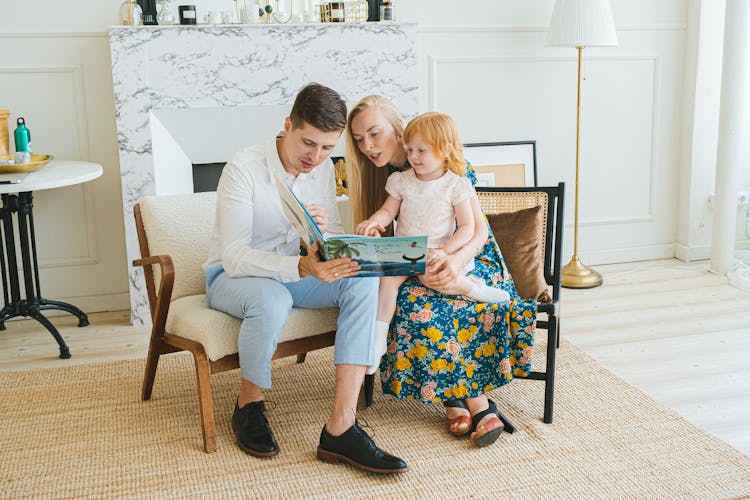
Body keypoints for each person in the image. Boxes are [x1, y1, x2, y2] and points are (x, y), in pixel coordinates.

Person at [204, 83, 408, 474]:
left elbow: (320, 247)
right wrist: (300, 266)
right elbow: (234, 257)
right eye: (308, 144)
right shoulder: (244, 168)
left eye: (328, 148)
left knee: (361, 277)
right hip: (232, 277)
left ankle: (341, 426)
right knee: (272, 299)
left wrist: (318, 244)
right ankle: (249, 404)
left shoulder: (323, 170)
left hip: (294, 271)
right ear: (288, 126)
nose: (315, 157)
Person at [346, 96, 538, 447]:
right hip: (414, 260)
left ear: (398, 128)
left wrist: (451, 259)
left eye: (374, 133)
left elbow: (476, 232)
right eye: (359, 139)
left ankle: (466, 402)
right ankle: (465, 400)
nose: (367, 146)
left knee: (446, 300)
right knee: (412, 300)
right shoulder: (393, 179)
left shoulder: (452, 171)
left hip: (469, 256)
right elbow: (388, 220)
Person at [354, 112, 510, 375]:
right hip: (407, 251)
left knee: (434, 279)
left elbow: (468, 227)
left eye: (421, 151)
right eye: (410, 149)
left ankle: (474, 289)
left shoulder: (456, 184)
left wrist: (445, 251)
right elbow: (387, 212)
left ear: (445, 150)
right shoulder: (401, 181)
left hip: (441, 252)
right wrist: (373, 221)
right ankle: (377, 342)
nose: (413, 157)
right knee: (387, 282)